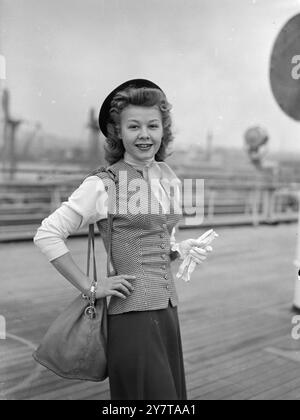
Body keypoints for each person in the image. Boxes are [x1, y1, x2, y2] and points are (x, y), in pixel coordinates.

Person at [33, 78, 212, 400]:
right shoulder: (104, 183)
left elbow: (151, 238)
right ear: (117, 131)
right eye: (134, 126)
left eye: (152, 125)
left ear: (163, 129)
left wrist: (177, 249)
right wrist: (91, 287)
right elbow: (47, 233)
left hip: (167, 312)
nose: (145, 135)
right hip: (132, 316)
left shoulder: (166, 177)